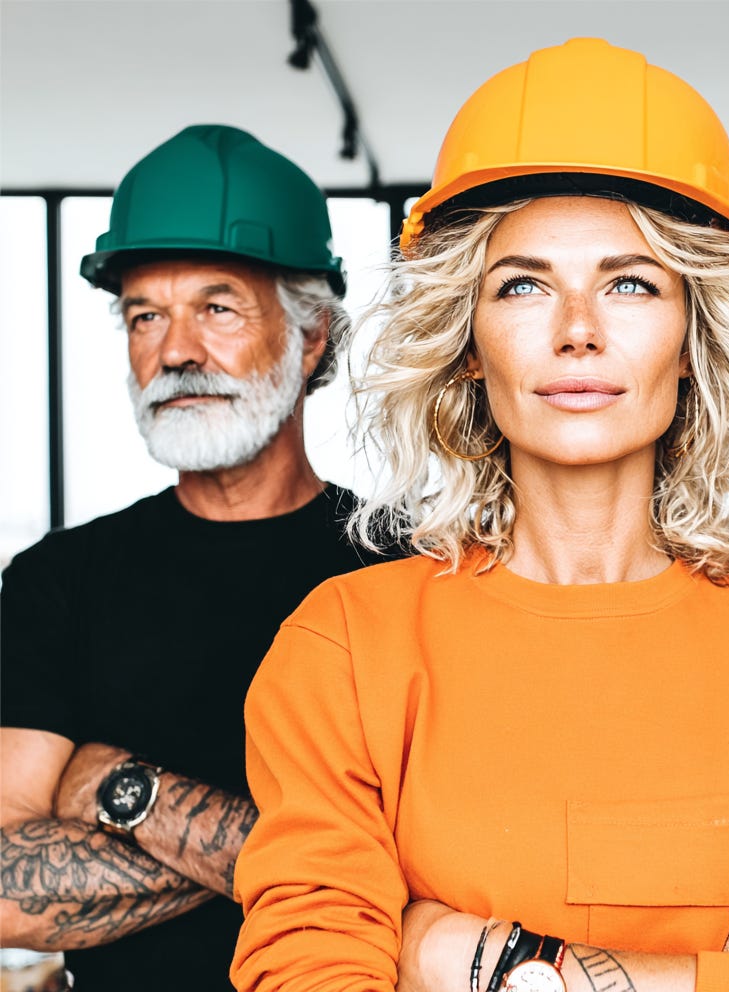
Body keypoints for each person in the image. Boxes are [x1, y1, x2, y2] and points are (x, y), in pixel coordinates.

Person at [231, 37, 729, 992]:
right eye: (522, 284)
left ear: (693, 339)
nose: (577, 329)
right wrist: (725, 976)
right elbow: (307, 972)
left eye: (631, 283)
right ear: (469, 346)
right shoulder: (345, 650)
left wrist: (482, 960)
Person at [0, 124, 388, 991]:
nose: (174, 352)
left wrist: (122, 792)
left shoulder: (404, 573)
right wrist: (323, 866)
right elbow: (4, 891)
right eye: (146, 316)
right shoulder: (59, 583)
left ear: (312, 336)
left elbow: (452, 868)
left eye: (217, 309)